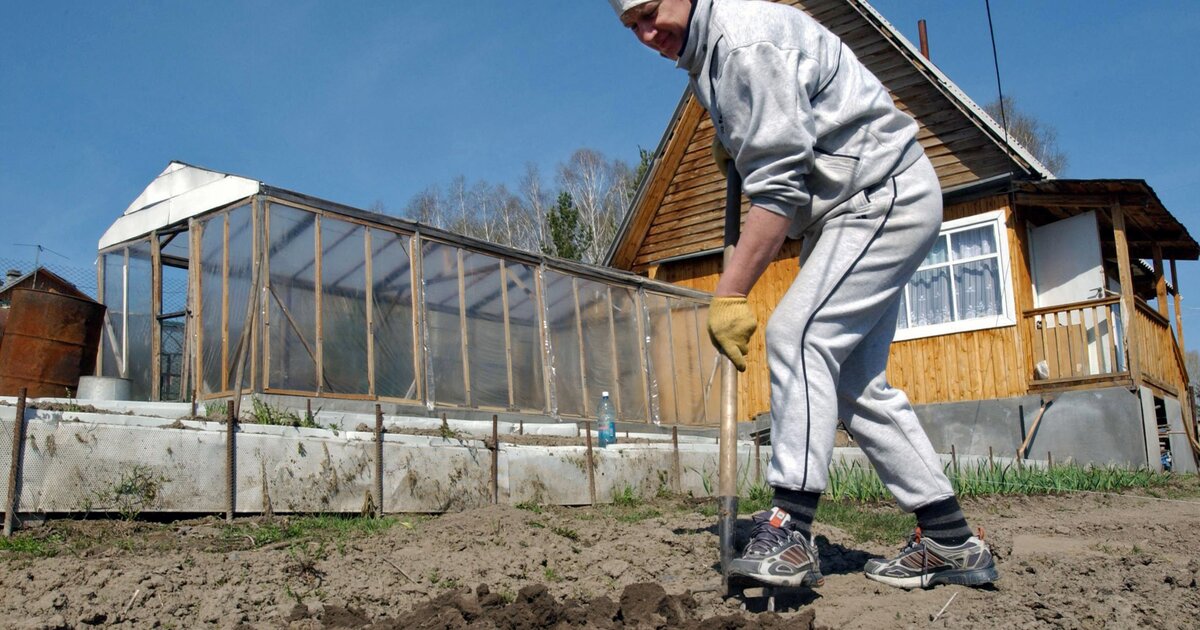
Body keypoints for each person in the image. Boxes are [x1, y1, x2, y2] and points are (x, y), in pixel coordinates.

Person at [609, 0, 999, 590]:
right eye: (630, 25)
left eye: (649, 11)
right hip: (852, 209)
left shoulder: (743, 44)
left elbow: (779, 194)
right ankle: (949, 539)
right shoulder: (710, 57)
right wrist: (739, 146)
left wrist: (730, 293)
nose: (645, 33)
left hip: (878, 193)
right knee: (854, 383)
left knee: (800, 335)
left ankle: (790, 529)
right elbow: (780, 143)